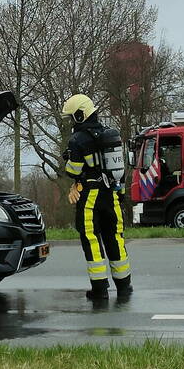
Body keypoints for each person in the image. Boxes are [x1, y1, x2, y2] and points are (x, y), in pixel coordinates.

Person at [62, 94, 131, 300]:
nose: (72, 121)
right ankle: (124, 286)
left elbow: (74, 170)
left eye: (73, 116)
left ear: (81, 115)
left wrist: (69, 158)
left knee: (91, 238)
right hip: (112, 195)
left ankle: (100, 290)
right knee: (115, 238)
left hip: (91, 196)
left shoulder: (77, 140)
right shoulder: (109, 135)